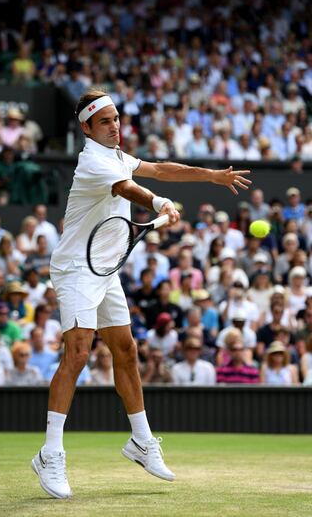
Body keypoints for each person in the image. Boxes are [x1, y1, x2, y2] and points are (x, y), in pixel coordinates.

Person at [31, 89, 251, 498]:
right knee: (78, 352)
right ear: (86, 129)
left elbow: (160, 169)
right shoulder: (95, 162)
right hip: (77, 269)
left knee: (127, 351)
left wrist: (211, 176)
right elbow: (132, 190)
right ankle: (50, 452)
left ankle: (141, 440)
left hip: (106, 268)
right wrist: (160, 203)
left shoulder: (116, 155)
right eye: (105, 121)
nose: (114, 126)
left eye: (116, 118)